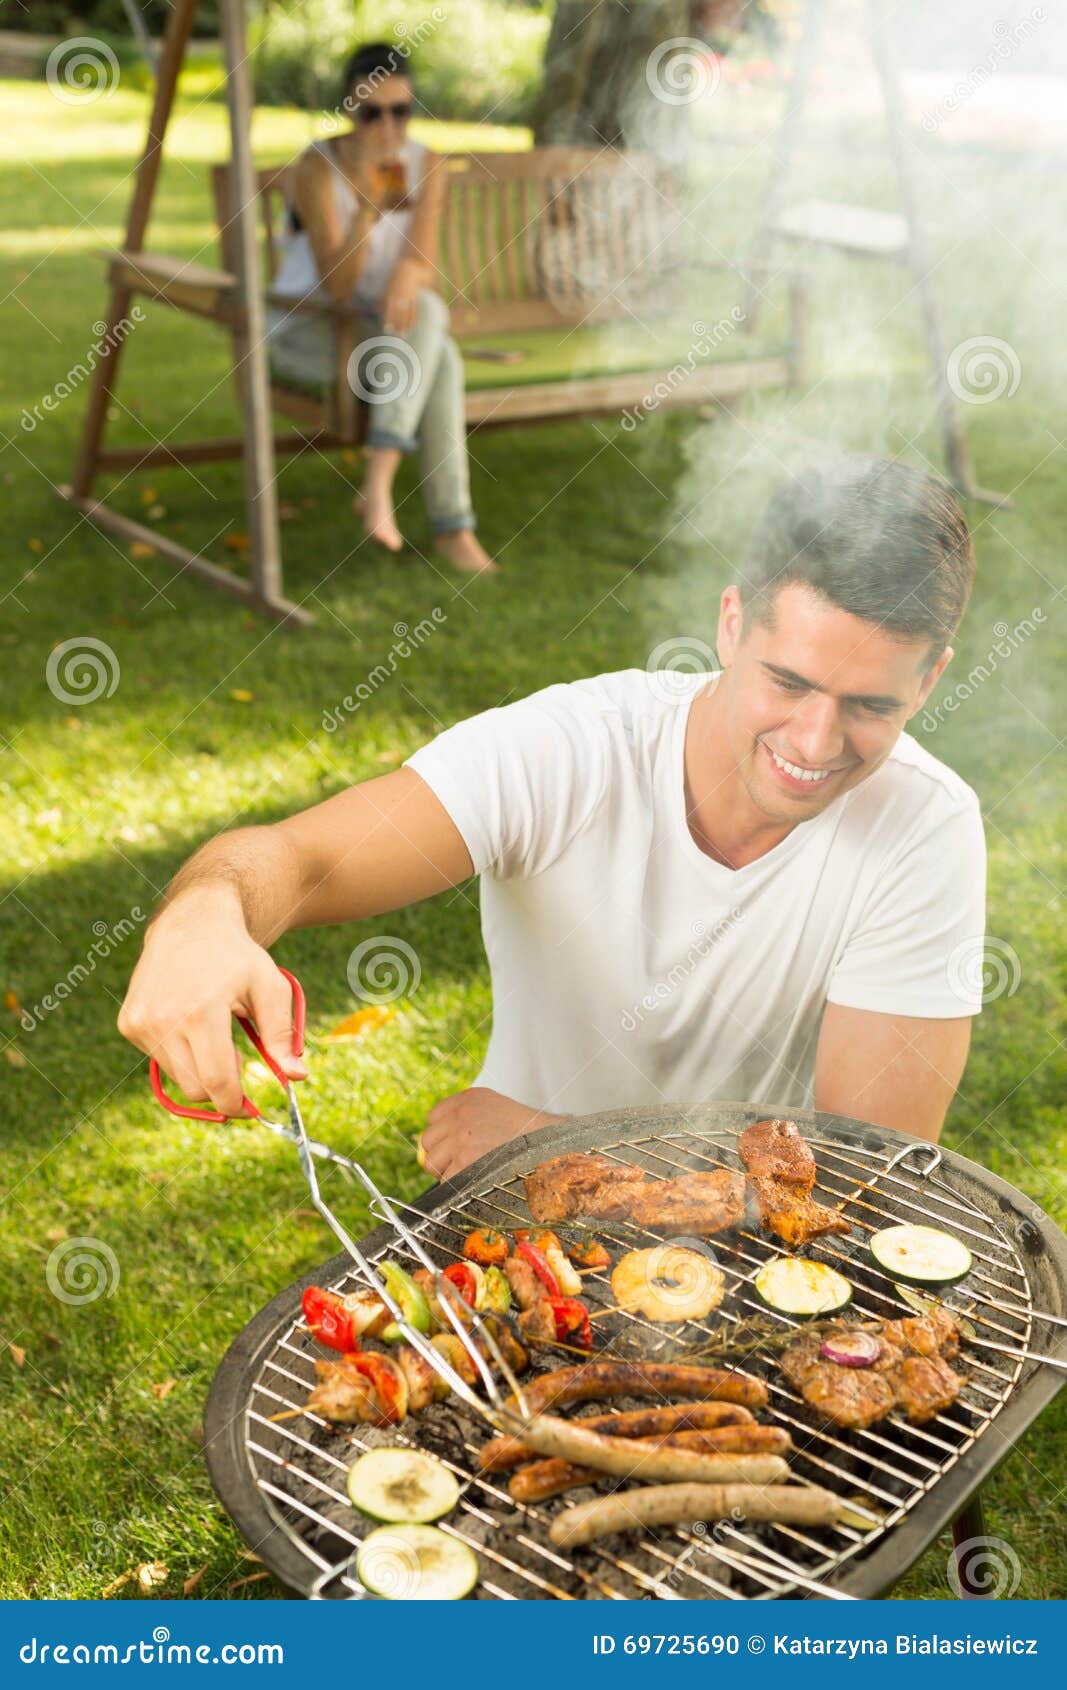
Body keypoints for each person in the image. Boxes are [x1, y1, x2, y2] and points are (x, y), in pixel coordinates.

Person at [119, 456, 986, 1179]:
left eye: (868, 704)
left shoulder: (924, 828)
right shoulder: (572, 750)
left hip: (763, 1251)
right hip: (522, 1220)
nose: (814, 739)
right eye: (788, 682)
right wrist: (204, 917)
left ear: (930, 681)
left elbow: (869, 1171)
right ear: (730, 626)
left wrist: (554, 1148)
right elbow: (300, 858)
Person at [266, 41, 495, 574]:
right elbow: (339, 288)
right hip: (310, 332)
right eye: (372, 113)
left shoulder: (426, 164)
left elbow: (424, 259)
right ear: (350, 111)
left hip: (381, 334)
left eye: (401, 111)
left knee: (431, 320)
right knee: (437, 348)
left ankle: (381, 482)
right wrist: (368, 206)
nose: (389, 128)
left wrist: (407, 276)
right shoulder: (317, 169)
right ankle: (450, 528)